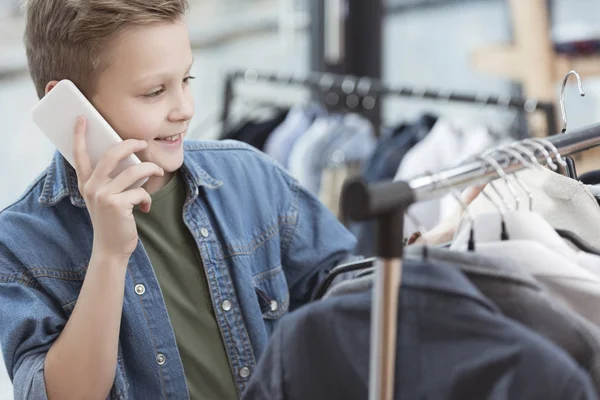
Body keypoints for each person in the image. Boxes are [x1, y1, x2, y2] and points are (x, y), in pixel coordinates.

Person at [0, 1, 358, 399]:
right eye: (155, 92)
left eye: (186, 79)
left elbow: (343, 281)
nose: (186, 109)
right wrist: (109, 255)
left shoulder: (250, 176)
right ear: (70, 109)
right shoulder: (19, 242)